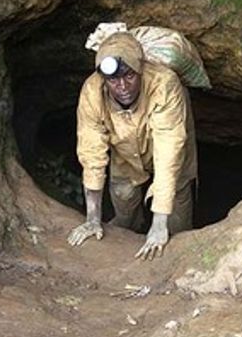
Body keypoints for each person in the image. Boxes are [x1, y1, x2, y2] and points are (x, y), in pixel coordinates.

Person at [68, 31, 198, 260]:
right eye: (113, 80)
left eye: (129, 76)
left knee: (176, 217)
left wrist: (159, 225)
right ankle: (132, 231)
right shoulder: (93, 91)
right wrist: (92, 219)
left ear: (141, 70)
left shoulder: (164, 84)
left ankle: (178, 256)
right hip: (126, 156)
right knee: (124, 203)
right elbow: (92, 154)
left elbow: (168, 155)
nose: (122, 86)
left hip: (172, 156)